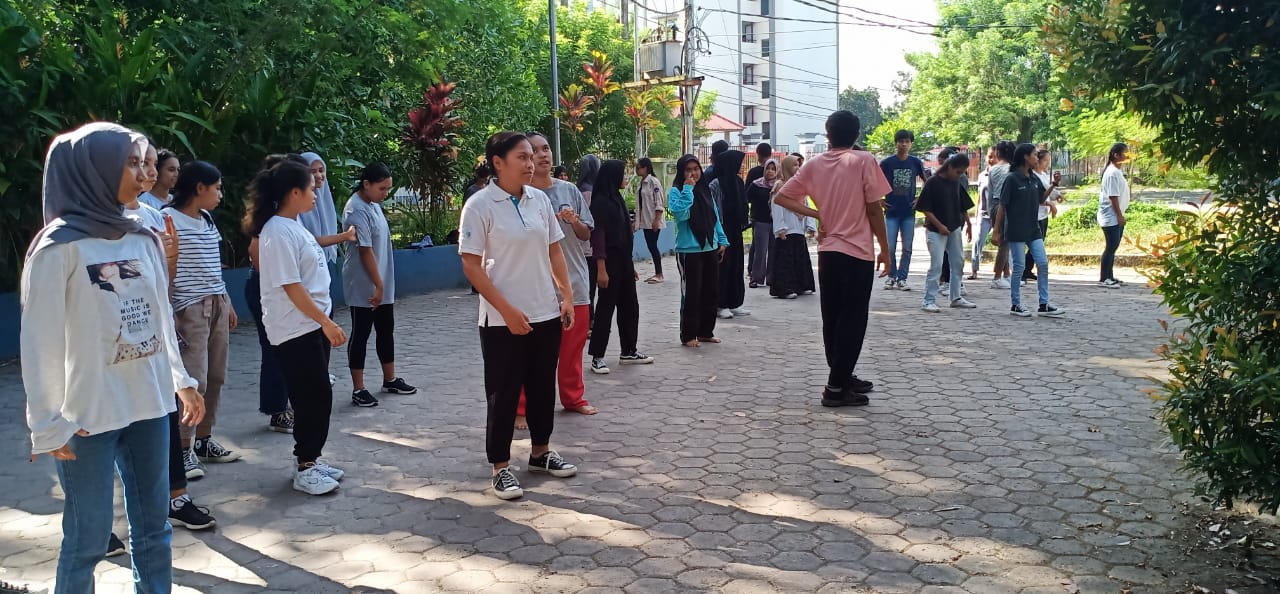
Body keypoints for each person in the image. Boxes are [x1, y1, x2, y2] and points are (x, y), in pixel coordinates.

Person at [22, 122, 205, 592]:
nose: (145, 174)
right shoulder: (58, 248)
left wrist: (181, 380)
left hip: (149, 405)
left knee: (154, 531)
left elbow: (159, 317)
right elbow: (39, 342)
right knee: (87, 541)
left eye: (145, 163)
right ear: (94, 169)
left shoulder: (142, 236)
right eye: (131, 163)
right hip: (86, 417)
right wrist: (47, 424)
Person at [459, 131, 579, 501]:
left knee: (542, 387)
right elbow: (471, 265)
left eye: (533, 156)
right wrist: (506, 310)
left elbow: (554, 250)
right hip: (501, 320)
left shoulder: (539, 200)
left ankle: (541, 453)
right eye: (522, 157)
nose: (531, 163)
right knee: (504, 393)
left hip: (545, 312)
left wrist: (566, 296)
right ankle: (500, 466)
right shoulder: (479, 205)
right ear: (498, 163)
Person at [775, 111, 892, 408]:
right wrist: (885, 248)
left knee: (834, 318)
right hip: (857, 252)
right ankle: (835, 388)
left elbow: (782, 197)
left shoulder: (814, 164)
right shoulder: (864, 160)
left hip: (828, 252)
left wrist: (818, 214)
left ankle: (841, 375)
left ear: (828, 135)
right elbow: (874, 208)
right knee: (853, 319)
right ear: (856, 134)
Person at [251, 158, 352, 495]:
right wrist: (325, 322)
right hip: (296, 329)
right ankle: (305, 466)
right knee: (312, 397)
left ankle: (312, 458)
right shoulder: (277, 231)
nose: (316, 193)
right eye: (310, 188)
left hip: (310, 325)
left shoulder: (294, 226)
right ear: (294, 192)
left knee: (317, 395)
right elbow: (291, 285)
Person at [161, 160, 242, 481]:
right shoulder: (168, 219)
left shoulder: (207, 219)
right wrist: (169, 312)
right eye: (217, 188)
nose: (220, 195)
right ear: (199, 188)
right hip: (189, 309)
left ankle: (204, 440)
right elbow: (164, 269)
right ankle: (183, 448)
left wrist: (227, 300)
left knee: (217, 375)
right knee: (194, 380)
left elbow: (212, 264)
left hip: (217, 303)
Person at [514, 132, 598, 429]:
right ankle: (521, 407)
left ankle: (573, 398)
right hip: (535, 287)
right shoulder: (519, 195)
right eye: (534, 151)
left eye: (546, 148)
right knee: (532, 353)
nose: (543, 155)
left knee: (572, 348)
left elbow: (586, 234)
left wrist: (574, 221)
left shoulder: (569, 190)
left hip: (573, 282)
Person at [343, 162, 418, 408]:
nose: (385, 193)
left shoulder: (374, 205)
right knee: (361, 333)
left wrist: (382, 284)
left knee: (386, 330)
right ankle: (358, 388)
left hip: (381, 281)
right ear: (366, 184)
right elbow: (365, 250)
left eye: (387, 188)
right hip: (364, 284)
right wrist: (378, 284)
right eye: (382, 188)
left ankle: (390, 379)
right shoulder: (356, 209)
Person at [244, 153, 307, 435]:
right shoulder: (270, 220)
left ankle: (285, 405)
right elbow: (257, 256)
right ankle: (277, 410)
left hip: (275, 288)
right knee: (274, 349)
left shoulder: (285, 217)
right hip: (266, 289)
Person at [587, 160, 655, 374]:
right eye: (623, 174)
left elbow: (623, 234)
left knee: (630, 307)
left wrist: (630, 265)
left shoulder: (616, 199)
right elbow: (598, 237)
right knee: (605, 309)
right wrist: (601, 269)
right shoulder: (600, 203)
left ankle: (629, 350)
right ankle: (597, 356)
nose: (626, 178)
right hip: (608, 262)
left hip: (623, 261)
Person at [992, 143, 1064, 318]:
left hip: (1033, 228)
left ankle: (1044, 304)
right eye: (1034, 154)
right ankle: (1016, 304)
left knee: (1043, 263)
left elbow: (1041, 198)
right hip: (1016, 229)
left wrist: (1053, 185)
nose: (1037, 158)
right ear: (1025, 157)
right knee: (1019, 266)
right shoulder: (1012, 179)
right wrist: (996, 231)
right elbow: (1002, 205)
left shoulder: (1033, 178)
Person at [669, 154, 729, 347]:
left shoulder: (706, 190)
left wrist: (722, 240)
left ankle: (705, 332)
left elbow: (715, 217)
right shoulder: (676, 191)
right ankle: (688, 335)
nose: (693, 173)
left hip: (709, 247)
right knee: (692, 293)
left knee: (711, 292)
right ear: (681, 172)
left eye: (696, 169)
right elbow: (680, 215)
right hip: (689, 250)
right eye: (688, 170)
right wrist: (688, 189)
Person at [916, 154, 977, 312]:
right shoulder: (933, 182)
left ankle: (955, 297)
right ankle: (928, 300)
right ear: (949, 167)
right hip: (935, 230)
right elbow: (925, 208)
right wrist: (940, 225)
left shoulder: (955, 182)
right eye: (958, 172)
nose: (959, 175)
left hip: (954, 227)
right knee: (936, 265)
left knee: (958, 262)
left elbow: (962, 205)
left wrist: (969, 223)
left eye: (962, 172)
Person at [880, 129, 927, 291]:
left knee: (907, 247)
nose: (904, 144)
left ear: (911, 144)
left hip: (908, 212)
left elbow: (927, 181)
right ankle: (891, 275)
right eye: (901, 141)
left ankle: (902, 278)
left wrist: (920, 198)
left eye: (907, 141)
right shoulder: (887, 163)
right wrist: (879, 199)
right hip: (891, 211)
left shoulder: (915, 162)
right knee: (890, 247)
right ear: (896, 143)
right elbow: (873, 181)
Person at [709, 149, 751, 319]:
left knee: (736, 266)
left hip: (736, 230)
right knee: (723, 268)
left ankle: (735, 302)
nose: (741, 166)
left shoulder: (738, 182)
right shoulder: (716, 184)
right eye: (739, 162)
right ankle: (721, 304)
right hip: (723, 229)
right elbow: (715, 210)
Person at [768, 155, 816, 299]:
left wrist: (810, 225)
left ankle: (802, 285)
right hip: (786, 230)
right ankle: (785, 288)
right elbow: (777, 207)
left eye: (799, 165)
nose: (798, 168)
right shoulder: (780, 186)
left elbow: (805, 206)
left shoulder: (800, 186)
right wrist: (780, 228)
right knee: (785, 260)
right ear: (787, 167)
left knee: (800, 258)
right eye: (795, 165)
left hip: (798, 229)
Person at [1025, 149, 1063, 282]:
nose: (1047, 163)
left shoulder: (1044, 175)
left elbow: (1048, 190)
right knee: (1036, 243)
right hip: (1035, 214)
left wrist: (1057, 194)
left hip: (1043, 214)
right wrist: (1049, 203)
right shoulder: (1033, 176)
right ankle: (1024, 269)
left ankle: (1027, 269)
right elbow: (1038, 197)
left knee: (1039, 241)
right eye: (1045, 160)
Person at [1098, 142, 1130, 289]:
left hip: (1116, 215)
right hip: (1111, 216)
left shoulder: (1117, 171)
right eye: (1125, 153)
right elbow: (1113, 196)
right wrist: (1119, 215)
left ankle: (1110, 276)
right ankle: (1104, 278)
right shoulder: (1111, 173)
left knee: (1113, 246)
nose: (1127, 156)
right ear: (1116, 155)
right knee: (1111, 246)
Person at [987, 140, 1017, 288]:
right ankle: (997, 277)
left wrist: (989, 212)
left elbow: (990, 192)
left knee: (1003, 241)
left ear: (998, 153)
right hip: (1006, 206)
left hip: (994, 204)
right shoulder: (1012, 169)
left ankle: (1006, 274)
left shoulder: (993, 169)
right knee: (1005, 243)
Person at [968, 147, 999, 280]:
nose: (992, 159)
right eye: (990, 156)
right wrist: (977, 214)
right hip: (984, 214)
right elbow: (980, 196)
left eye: (995, 157)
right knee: (978, 241)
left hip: (998, 214)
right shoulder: (982, 175)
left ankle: (1006, 272)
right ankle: (974, 270)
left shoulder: (1002, 174)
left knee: (1004, 243)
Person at [747, 158, 778, 289]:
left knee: (774, 251)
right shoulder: (756, 185)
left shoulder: (779, 185)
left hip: (776, 222)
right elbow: (746, 199)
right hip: (760, 221)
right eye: (768, 168)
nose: (770, 171)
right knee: (760, 250)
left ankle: (772, 278)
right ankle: (756, 278)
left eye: (773, 169)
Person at [635, 157, 667, 284]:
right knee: (651, 245)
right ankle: (657, 272)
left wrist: (657, 219)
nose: (637, 170)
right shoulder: (641, 183)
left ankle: (659, 273)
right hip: (645, 221)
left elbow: (659, 202)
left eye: (639, 168)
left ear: (646, 168)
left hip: (653, 220)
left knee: (653, 246)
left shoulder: (654, 182)